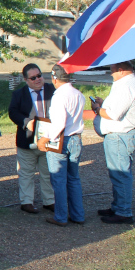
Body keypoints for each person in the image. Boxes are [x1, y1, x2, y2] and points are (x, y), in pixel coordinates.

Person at [91, 60, 135, 224]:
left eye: (112, 71)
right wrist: (103, 104)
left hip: (121, 134)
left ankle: (123, 211)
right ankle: (118, 206)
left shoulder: (128, 85)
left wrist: (97, 109)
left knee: (120, 174)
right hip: (120, 134)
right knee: (117, 173)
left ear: (121, 70)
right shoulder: (128, 84)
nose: (111, 74)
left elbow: (114, 114)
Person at [36, 64, 85, 227]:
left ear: (54, 78)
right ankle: (78, 214)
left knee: (58, 180)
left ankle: (61, 216)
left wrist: (45, 138)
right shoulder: (79, 94)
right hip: (76, 137)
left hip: (61, 139)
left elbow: (59, 123)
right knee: (73, 178)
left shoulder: (59, 96)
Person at [8, 64, 55, 215]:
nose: (37, 80)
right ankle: (27, 202)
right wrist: (27, 122)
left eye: (39, 75)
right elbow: (12, 112)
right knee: (26, 173)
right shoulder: (18, 94)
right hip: (27, 140)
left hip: (48, 140)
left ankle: (50, 201)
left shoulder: (52, 90)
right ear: (26, 80)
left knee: (48, 173)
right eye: (33, 78)